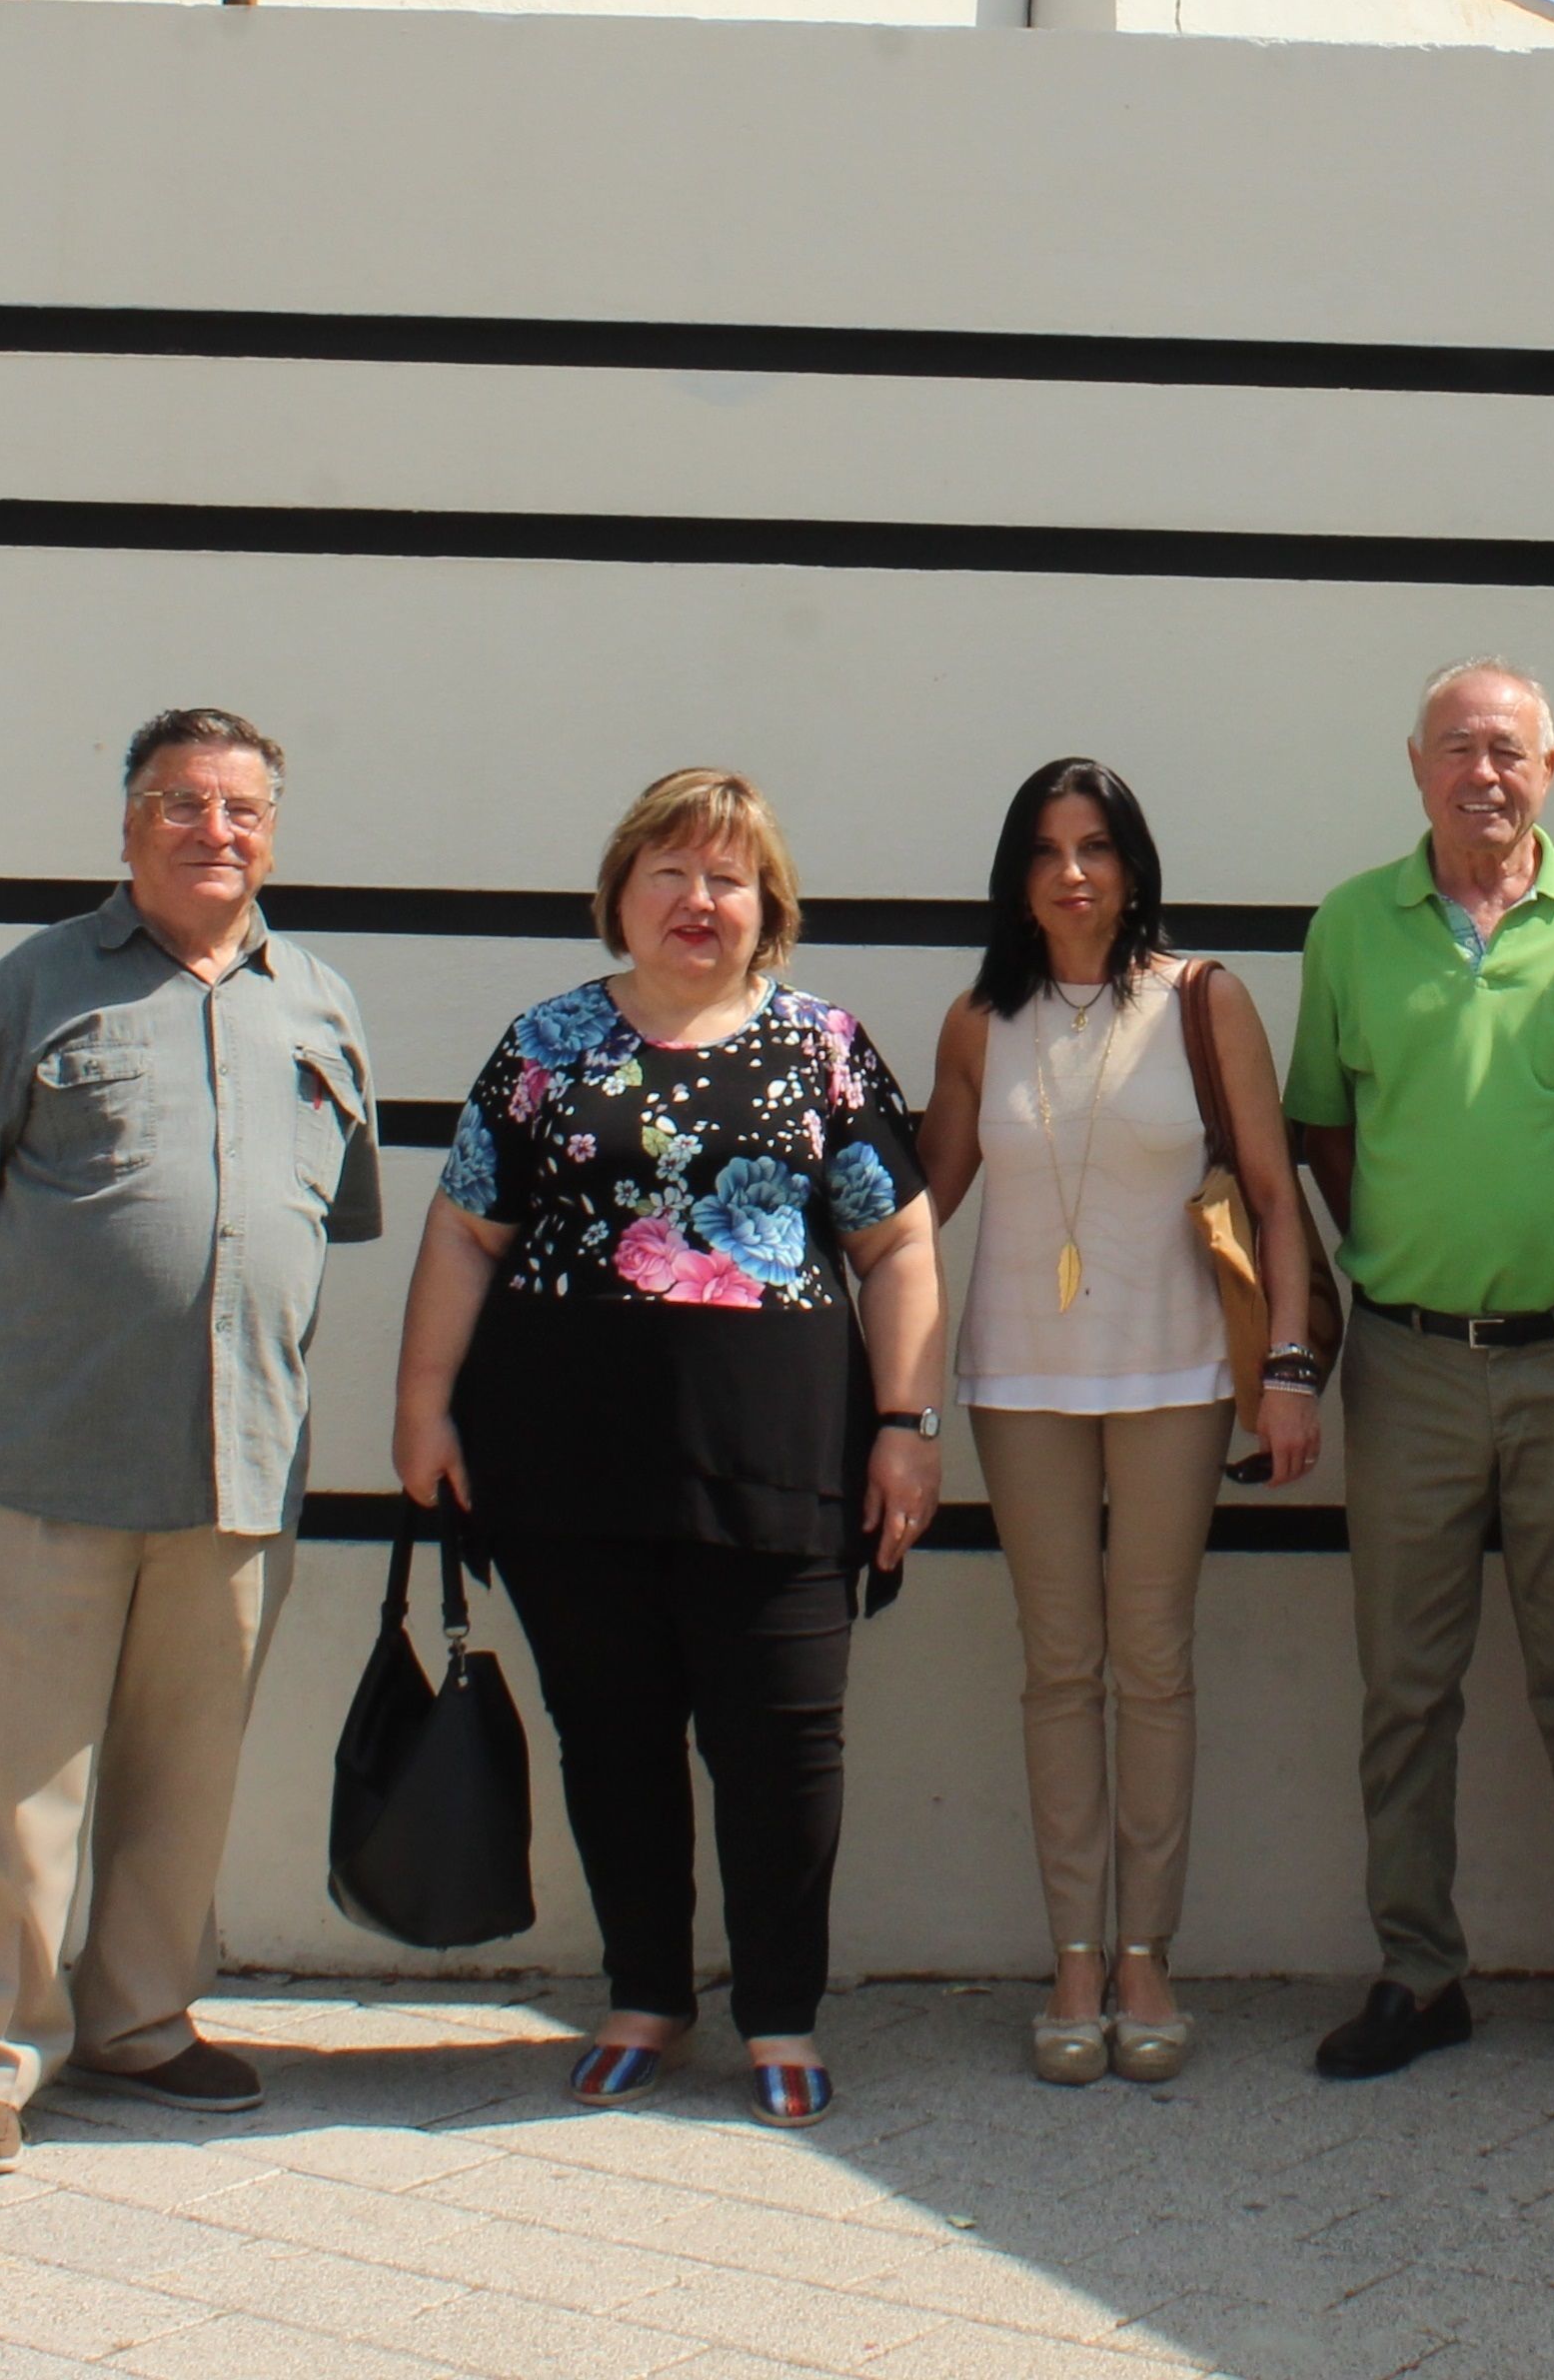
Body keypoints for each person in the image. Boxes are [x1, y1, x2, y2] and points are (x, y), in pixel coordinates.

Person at [390, 767, 943, 2127]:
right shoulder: (546, 1043)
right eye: (671, 873)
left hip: (784, 1456)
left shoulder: (821, 1046)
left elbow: (898, 1244)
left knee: (783, 1748)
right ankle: (644, 1992)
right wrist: (421, 1402)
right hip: (566, 1463)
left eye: (728, 877)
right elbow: (467, 1225)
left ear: (769, 907)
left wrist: (906, 1426)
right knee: (612, 1737)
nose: (700, 901)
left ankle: (780, 2010)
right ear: (621, 897)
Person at [0, 707, 380, 2178]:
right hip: (47, 1461)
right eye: (178, 803)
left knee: (187, 1772)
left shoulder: (321, 1006)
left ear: (271, 831)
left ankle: (142, 2026)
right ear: (126, 826)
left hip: (241, 1464)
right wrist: (74, 1337)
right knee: (13, 1773)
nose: (211, 829)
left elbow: (321, 1225)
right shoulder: (29, 990)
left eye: (239, 807)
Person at [1285, 659, 1554, 2094]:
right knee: (1405, 1685)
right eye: (1456, 750)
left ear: (1552, 768)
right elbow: (1322, 1136)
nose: (1483, 776)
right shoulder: (1348, 926)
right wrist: (1407, 1255)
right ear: (1413, 768)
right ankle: (1417, 1972)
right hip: (1409, 1366)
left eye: (1507, 751)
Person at [917, 756, 1322, 2086]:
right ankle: (1071, 1962)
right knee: (1056, 1668)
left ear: (1134, 864)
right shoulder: (980, 1020)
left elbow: (1271, 1196)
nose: (1071, 872)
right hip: (1020, 1379)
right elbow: (922, 1208)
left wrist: (1288, 1370)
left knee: (1149, 1664)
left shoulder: (1203, 1002)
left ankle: (1144, 1951)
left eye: (1094, 847)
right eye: (1044, 850)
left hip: (1173, 1376)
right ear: (1013, 875)